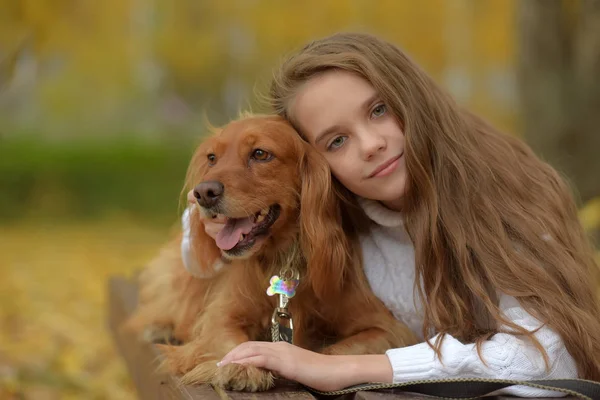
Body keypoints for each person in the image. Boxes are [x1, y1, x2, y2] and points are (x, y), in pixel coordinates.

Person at [182, 32, 600, 396]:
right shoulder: (338, 210)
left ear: (412, 95)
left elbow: (550, 355)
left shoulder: (507, 196)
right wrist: (209, 219)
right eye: (337, 141)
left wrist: (343, 368)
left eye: (379, 110)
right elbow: (222, 256)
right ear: (318, 167)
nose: (369, 145)